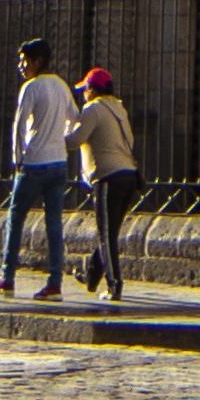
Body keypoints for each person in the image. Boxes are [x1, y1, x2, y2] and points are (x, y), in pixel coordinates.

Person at [0, 39, 79, 297]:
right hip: (58, 162)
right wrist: (61, 140)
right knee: (54, 223)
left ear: (37, 61)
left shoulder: (30, 88)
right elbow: (75, 117)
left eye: (24, 61)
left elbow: (19, 125)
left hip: (34, 164)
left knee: (15, 218)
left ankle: (7, 277)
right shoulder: (62, 85)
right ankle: (55, 282)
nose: (21, 66)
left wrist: (18, 157)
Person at [71, 62, 143, 299]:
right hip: (128, 175)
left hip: (108, 177)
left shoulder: (93, 109)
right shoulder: (118, 108)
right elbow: (130, 141)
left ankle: (114, 285)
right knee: (110, 230)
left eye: (85, 90)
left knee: (105, 234)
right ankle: (92, 276)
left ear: (92, 89)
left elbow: (76, 139)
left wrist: (53, 138)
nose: (83, 94)